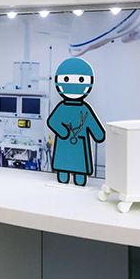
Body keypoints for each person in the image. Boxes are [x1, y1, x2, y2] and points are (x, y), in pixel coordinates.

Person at [46, 57, 105, 186]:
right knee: (63, 171)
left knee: (80, 172)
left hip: (79, 145)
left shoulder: (84, 109)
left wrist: (99, 135)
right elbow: (52, 121)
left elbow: (96, 129)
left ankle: (79, 181)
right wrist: (64, 133)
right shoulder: (62, 108)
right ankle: (64, 180)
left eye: (81, 80)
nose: (74, 85)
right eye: (67, 79)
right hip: (64, 143)